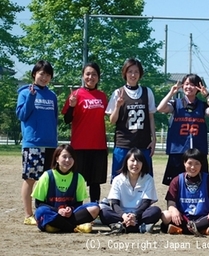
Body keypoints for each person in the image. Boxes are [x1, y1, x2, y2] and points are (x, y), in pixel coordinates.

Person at [16, 60, 58, 225]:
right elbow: (22, 115)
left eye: (48, 75)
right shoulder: (25, 92)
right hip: (33, 144)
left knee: (47, 180)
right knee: (30, 179)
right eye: (41, 74)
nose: (44, 77)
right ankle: (28, 215)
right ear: (34, 74)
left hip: (50, 145)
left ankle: (44, 211)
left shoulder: (52, 95)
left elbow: (54, 119)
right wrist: (31, 98)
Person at [157, 73, 209, 185]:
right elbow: (160, 108)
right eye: (186, 84)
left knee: (200, 183)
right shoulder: (176, 103)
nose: (188, 87)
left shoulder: (202, 105)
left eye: (192, 85)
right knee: (176, 184)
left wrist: (207, 96)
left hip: (197, 151)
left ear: (198, 87)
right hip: (178, 150)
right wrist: (171, 93)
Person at [61, 62, 108, 202]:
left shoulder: (102, 96)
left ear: (98, 77)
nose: (90, 77)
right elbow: (66, 119)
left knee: (95, 182)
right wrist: (71, 106)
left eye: (94, 74)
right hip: (79, 146)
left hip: (98, 145)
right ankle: (78, 209)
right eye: (87, 74)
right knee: (78, 180)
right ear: (83, 76)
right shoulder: (75, 94)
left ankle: (94, 209)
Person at [106, 58, 157, 179]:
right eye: (130, 71)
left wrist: (153, 139)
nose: (133, 75)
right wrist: (118, 106)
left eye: (136, 72)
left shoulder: (147, 92)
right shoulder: (118, 92)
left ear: (140, 74)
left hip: (143, 143)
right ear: (125, 73)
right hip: (123, 143)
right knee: (119, 179)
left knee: (145, 179)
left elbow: (150, 117)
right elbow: (112, 121)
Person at [32, 144, 100, 233]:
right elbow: (38, 204)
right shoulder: (47, 176)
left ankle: (57, 226)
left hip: (70, 215)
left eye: (71, 157)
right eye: (64, 157)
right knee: (41, 212)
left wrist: (70, 210)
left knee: (95, 207)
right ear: (57, 158)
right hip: (53, 213)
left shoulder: (79, 178)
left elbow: (79, 203)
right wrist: (58, 210)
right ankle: (74, 227)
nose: (67, 160)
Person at [161, 148, 209, 235]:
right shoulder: (176, 180)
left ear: (201, 164)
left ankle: (183, 230)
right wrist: (174, 210)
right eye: (189, 163)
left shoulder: (208, 180)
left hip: (203, 218)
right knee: (166, 215)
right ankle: (201, 230)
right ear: (184, 163)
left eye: (197, 164)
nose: (193, 167)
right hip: (183, 218)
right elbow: (171, 204)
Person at [100, 148, 161, 233]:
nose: (135, 164)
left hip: (140, 214)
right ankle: (139, 227)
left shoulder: (148, 179)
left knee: (155, 211)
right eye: (132, 160)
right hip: (121, 215)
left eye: (139, 161)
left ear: (143, 163)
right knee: (104, 212)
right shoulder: (118, 179)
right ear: (126, 162)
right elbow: (114, 203)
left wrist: (134, 215)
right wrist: (124, 216)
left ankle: (121, 226)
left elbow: (146, 203)